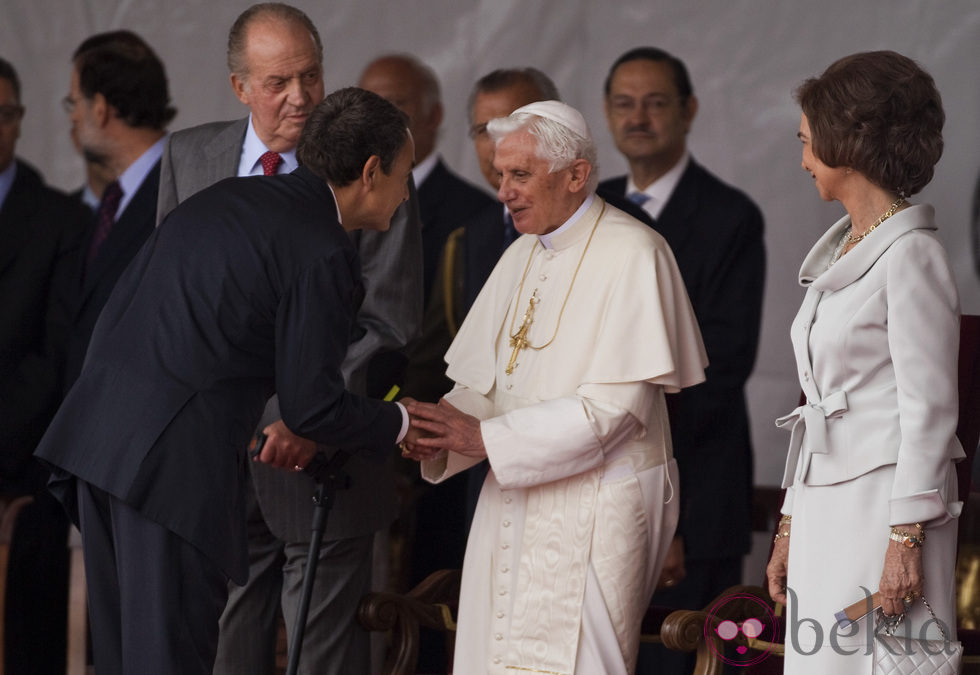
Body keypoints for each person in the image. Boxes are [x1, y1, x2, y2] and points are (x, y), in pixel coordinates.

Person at [35, 87, 417, 675]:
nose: (406, 190)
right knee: (170, 659)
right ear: (371, 172)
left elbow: (123, 310)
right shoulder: (321, 247)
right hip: (169, 470)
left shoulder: (228, 198)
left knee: (121, 662)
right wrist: (402, 421)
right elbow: (311, 408)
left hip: (97, 446)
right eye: (404, 173)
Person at [156, 6, 423, 674]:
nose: (300, 96)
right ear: (239, 87)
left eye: (311, 75)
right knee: (225, 650)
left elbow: (388, 318)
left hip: (322, 458)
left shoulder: (371, 163)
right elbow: (174, 303)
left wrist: (303, 414)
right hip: (218, 458)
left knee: (322, 656)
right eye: (278, 81)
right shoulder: (189, 157)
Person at [402, 100, 708, 674]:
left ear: (576, 175)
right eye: (499, 176)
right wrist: (441, 427)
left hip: (597, 506)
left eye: (519, 175)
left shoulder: (636, 252)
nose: (503, 192)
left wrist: (485, 438)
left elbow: (613, 412)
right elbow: (489, 383)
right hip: (512, 494)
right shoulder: (519, 255)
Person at [765, 51, 963, 672]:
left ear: (848, 139)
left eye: (806, 141)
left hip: (888, 505)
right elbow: (816, 402)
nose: (801, 160)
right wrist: (791, 520)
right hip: (827, 502)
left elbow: (930, 409)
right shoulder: (838, 254)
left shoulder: (912, 256)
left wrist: (906, 534)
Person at [599, 47, 765, 672]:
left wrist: (666, 513)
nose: (638, 117)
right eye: (623, 102)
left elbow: (721, 368)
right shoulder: (592, 207)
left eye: (656, 102)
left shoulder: (730, 217)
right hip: (600, 495)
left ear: (689, 110)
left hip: (695, 499)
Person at [0, 56, 89, 675]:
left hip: (19, 475)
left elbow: (52, 359)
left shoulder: (60, 220)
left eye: (3, 115)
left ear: (21, 121)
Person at [62, 30, 175, 390]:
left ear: (100, 107)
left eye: (73, 103)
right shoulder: (114, 198)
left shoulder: (182, 189)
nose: (73, 119)